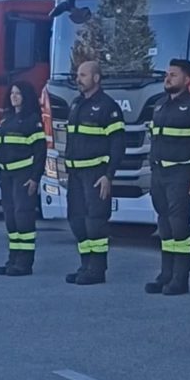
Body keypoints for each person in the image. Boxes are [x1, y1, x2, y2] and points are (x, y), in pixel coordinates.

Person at [145, 58, 190, 296]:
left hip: (181, 173)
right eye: (167, 74)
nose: (168, 78)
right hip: (160, 173)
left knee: (179, 225)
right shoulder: (160, 106)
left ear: (187, 79)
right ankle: (166, 274)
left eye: (173, 75)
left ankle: (180, 279)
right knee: (164, 225)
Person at [65, 61, 125, 285]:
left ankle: (97, 270)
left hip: (96, 174)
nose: (78, 79)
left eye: (83, 75)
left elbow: (118, 144)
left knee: (95, 222)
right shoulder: (77, 103)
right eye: (78, 75)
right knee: (77, 221)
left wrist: (108, 175)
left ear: (96, 78)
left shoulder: (108, 106)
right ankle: (85, 265)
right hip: (76, 175)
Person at [0, 81, 46, 276]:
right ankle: (13, 258)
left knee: (23, 217)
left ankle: (25, 262)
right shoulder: (6, 119)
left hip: (23, 176)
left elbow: (40, 152)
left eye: (18, 93)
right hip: (6, 176)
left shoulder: (32, 120)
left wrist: (35, 178)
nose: (14, 96)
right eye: (12, 93)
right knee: (11, 218)